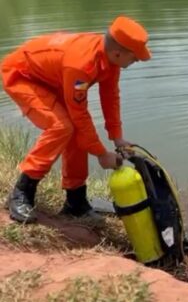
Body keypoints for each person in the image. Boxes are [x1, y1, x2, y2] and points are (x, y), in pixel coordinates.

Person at [1, 15, 151, 223]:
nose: (135, 62)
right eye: (134, 58)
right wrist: (100, 153)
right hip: (22, 78)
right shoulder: (81, 66)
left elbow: (110, 97)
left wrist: (117, 137)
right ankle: (21, 192)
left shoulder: (110, 61)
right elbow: (79, 115)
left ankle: (75, 202)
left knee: (77, 132)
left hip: (55, 80)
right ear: (117, 53)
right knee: (62, 127)